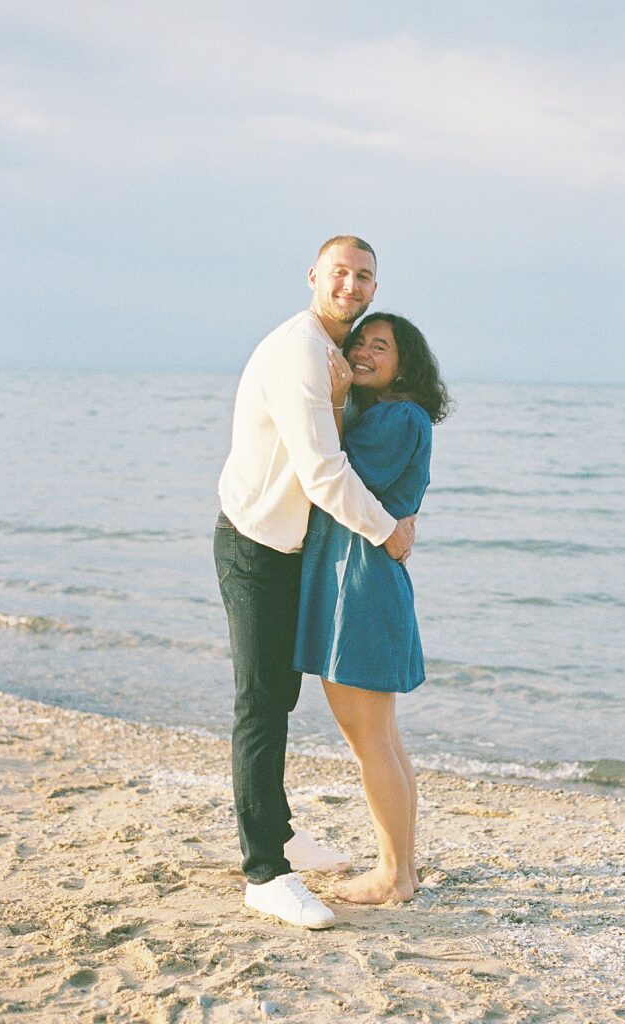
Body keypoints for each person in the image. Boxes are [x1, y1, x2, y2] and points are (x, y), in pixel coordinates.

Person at [214, 237, 417, 929]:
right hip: (255, 545)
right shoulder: (301, 350)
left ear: (373, 287)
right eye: (340, 272)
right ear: (313, 276)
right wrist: (388, 530)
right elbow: (324, 472)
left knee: (279, 696)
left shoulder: (331, 354)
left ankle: (279, 831)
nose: (351, 285)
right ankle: (264, 873)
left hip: (290, 549)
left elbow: (344, 446)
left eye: (364, 276)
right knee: (260, 706)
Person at [293, 312, 451, 905]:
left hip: (360, 583)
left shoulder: (396, 417)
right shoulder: (396, 414)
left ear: (404, 364)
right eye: (359, 341)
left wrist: (334, 400)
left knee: (370, 742)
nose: (362, 352)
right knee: (382, 738)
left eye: (379, 347)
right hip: (367, 577)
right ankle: (403, 869)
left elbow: (333, 471)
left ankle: (392, 875)